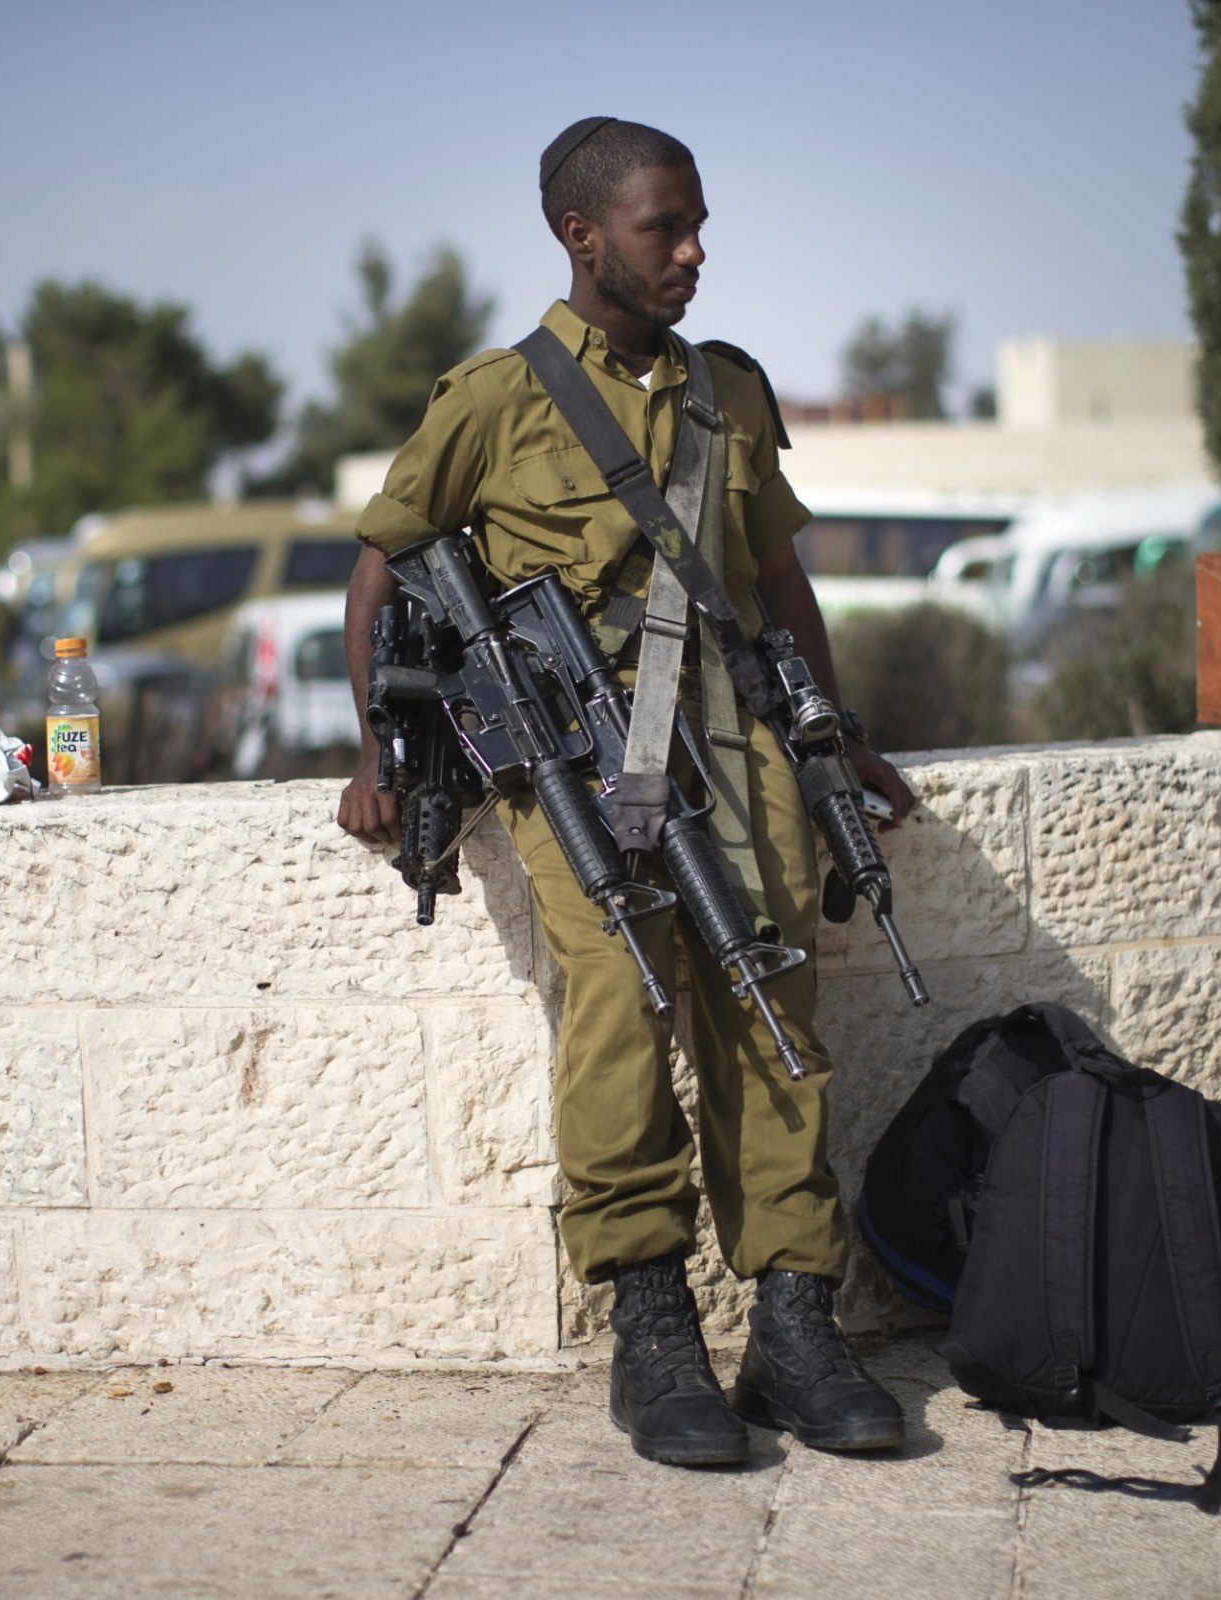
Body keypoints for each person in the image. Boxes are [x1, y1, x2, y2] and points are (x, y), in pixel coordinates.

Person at [338, 117, 916, 1468]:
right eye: (667, 228)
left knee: (771, 999)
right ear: (583, 237)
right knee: (617, 1004)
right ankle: (650, 1326)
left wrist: (837, 735)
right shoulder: (492, 398)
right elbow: (381, 570)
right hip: (577, 756)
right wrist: (375, 755)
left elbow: (775, 579)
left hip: (739, 739)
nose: (695, 252)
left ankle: (790, 1319)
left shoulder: (731, 390)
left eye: (701, 223)